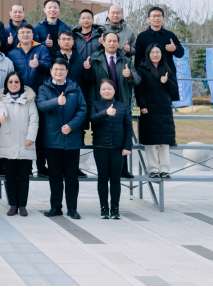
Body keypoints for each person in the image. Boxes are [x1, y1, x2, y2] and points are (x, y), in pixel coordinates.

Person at [37, 59, 87, 219]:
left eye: (62, 69)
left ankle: (72, 209)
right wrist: (56, 102)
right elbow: (41, 105)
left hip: (72, 139)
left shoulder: (75, 88)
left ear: (67, 71)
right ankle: (55, 207)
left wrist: (71, 126)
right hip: (52, 139)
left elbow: (83, 109)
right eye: (56, 69)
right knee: (55, 176)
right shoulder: (44, 87)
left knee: (72, 177)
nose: (59, 72)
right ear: (51, 71)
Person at [88, 32, 141, 179]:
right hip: (102, 103)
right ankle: (104, 170)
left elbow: (137, 79)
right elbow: (90, 82)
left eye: (114, 41)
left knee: (123, 131)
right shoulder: (95, 59)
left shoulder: (126, 60)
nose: (111, 44)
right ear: (103, 42)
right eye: (109, 41)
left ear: (118, 44)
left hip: (121, 102)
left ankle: (124, 168)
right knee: (102, 132)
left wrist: (130, 75)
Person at [8, 24, 51, 176]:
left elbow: (49, 65)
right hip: (20, 97)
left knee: (38, 131)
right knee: (22, 132)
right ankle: (26, 167)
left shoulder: (42, 49)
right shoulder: (12, 53)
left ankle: (41, 166)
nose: (25, 35)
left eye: (28, 32)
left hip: (39, 95)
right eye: (22, 32)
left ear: (33, 35)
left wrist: (39, 64)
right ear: (18, 36)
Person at [0, 72, 38, 217]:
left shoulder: (29, 100)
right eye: (10, 82)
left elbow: (34, 120)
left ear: (21, 84)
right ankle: (13, 204)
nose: (13, 84)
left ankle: (22, 205)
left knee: (24, 177)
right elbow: (1, 110)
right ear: (6, 84)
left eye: (16, 82)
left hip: (25, 142)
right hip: (8, 143)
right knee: (10, 177)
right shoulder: (1, 99)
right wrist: (2, 117)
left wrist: (31, 138)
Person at [89, 79, 133, 219]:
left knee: (115, 179)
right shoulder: (95, 104)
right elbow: (92, 119)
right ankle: (104, 208)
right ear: (99, 91)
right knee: (102, 178)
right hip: (100, 147)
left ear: (114, 90)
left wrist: (127, 146)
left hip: (118, 148)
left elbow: (128, 128)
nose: (106, 91)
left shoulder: (122, 106)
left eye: (109, 89)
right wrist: (106, 113)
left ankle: (115, 208)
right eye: (103, 89)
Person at [135, 44, 179, 179]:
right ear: (148, 54)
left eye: (157, 52)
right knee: (150, 141)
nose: (155, 55)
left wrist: (167, 81)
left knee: (164, 141)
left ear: (162, 54)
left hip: (164, 109)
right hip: (149, 109)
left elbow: (174, 89)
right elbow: (139, 89)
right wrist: (142, 105)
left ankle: (165, 169)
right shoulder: (142, 69)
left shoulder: (167, 68)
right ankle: (153, 169)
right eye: (152, 52)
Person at [56, 30, 95, 177]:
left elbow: (89, 82)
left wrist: (88, 70)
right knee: (57, 134)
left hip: (77, 103)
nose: (66, 42)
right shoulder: (53, 58)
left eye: (69, 39)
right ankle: (58, 168)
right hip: (58, 103)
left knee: (77, 135)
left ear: (73, 41)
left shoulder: (82, 59)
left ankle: (74, 167)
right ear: (58, 41)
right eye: (63, 39)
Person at [134, 6, 186, 77]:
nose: (156, 18)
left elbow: (181, 53)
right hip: (148, 75)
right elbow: (138, 59)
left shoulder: (170, 35)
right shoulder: (142, 36)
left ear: (163, 18)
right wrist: (138, 76)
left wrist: (175, 49)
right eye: (154, 16)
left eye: (159, 16)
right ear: (148, 19)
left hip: (168, 74)